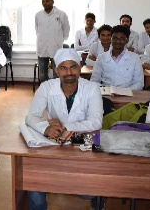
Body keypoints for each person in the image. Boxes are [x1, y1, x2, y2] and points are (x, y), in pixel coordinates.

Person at [25, 48, 104, 210]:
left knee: (87, 192)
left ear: (80, 67)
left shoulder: (92, 88)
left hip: (82, 141)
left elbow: (96, 122)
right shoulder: (46, 87)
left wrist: (64, 126)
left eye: (73, 67)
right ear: (56, 71)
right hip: (55, 142)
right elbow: (31, 116)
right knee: (34, 182)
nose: (69, 72)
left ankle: (97, 200)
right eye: (63, 68)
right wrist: (45, 127)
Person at [35, 0, 70, 82]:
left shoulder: (61, 14)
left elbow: (66, 29)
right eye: (43, 1)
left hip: (56, 48)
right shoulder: (38, 15)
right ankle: (45, 93)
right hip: (42, 48)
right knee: (42, 74)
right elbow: (37, 29)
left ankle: (57, 93)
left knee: (57, 73)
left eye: (47, 1)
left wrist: (61, 40)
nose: (45, 3)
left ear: (52, 1)